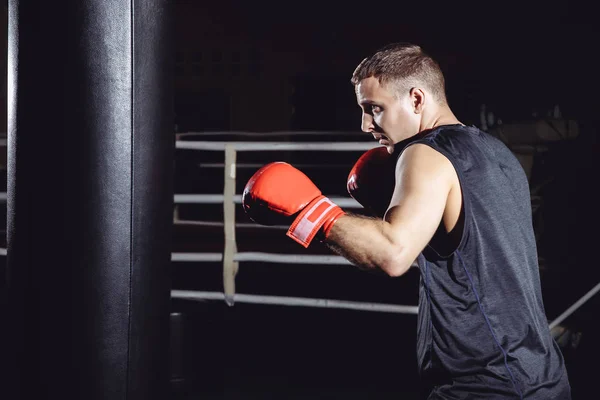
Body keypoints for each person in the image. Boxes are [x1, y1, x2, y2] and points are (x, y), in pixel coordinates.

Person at [242, 43, 572, 399]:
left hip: (484, 382)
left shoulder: (423, 153)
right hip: (539, 375)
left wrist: (309, 212)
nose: (366, 125)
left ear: (416, 99)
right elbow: (471, 252)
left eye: (374, 109)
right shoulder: (496, 152)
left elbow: (392, 252)